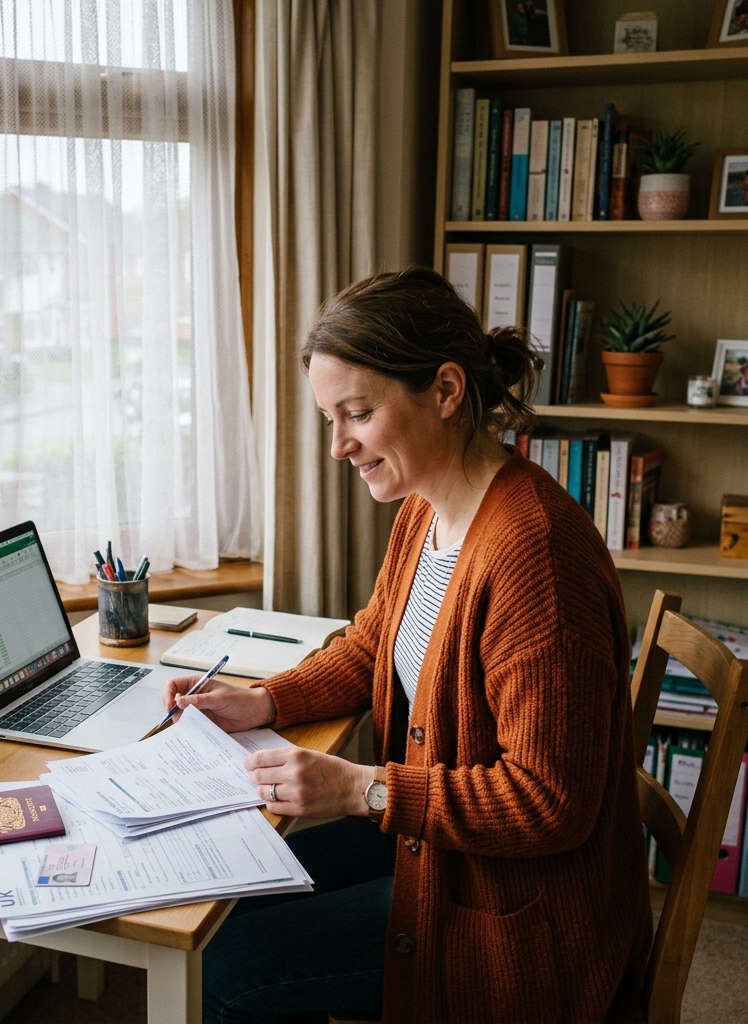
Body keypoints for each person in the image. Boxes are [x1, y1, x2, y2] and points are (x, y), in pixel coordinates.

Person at [162, 267, 653, 1023]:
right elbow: (370, 645)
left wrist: (359, 789)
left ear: (447, 391)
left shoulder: (535, 557)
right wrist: (263, 699)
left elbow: (552, 802)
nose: (337, 446)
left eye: (355, 413)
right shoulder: (431, 511)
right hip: (449, 854)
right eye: (330, 418)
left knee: (229, 969)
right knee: (231, 900)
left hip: (517, 916)